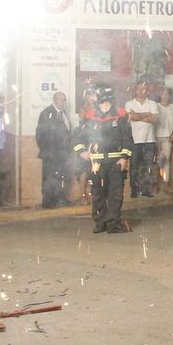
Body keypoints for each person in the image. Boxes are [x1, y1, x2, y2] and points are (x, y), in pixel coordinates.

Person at [75, 84, 131, 233]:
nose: (92, 98)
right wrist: (81, 151)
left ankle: (113, 224)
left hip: (115, 162)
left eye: (94, 95)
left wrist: (124, 157)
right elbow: (79, 138)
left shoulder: (120, 113)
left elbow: (127, 138)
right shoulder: (91, 115)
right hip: (96, 163)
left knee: (115, 194)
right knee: (98, 193)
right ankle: (100, 223)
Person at [35, 91, 73, 209]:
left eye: (64, 100)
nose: (62, 102)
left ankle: (59, 199)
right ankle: (48, 201)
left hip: (62, 153)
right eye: (60, 99)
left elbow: (67, 132)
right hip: (50, 153)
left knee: (61, 176)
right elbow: (40, 134)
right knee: (49, 177)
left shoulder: (64, 114)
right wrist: (46, 150)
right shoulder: (46, 113)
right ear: (54, 99)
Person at [124, 81, 161, 199]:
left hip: (149, 141)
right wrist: (146, 114)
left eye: (144, 89)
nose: (142, 91)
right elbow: (130, 117)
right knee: (134, 167)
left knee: (148, 166)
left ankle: (146, 190)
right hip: (134, 141)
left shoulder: (153, 103)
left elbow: (154, 119)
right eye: (139, 89)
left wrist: (137, 116)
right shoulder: (129, 103)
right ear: (135, 90)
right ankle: (134, 190)